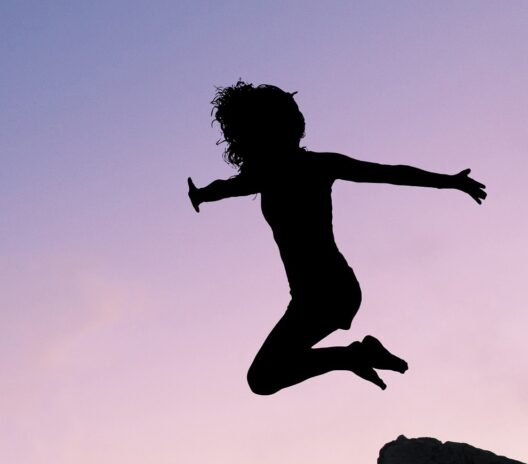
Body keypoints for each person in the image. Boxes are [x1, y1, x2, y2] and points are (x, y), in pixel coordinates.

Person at [188, 81, 486, 394]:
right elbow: (225, 187)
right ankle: (356, 355)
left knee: (263, 378)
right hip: (314, 296)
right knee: (264, 377)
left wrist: (448, 182)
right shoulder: (269, 175)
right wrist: (202, 194)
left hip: (329, 293)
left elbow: (389, 172)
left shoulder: (312, 167)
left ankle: (355, 356)